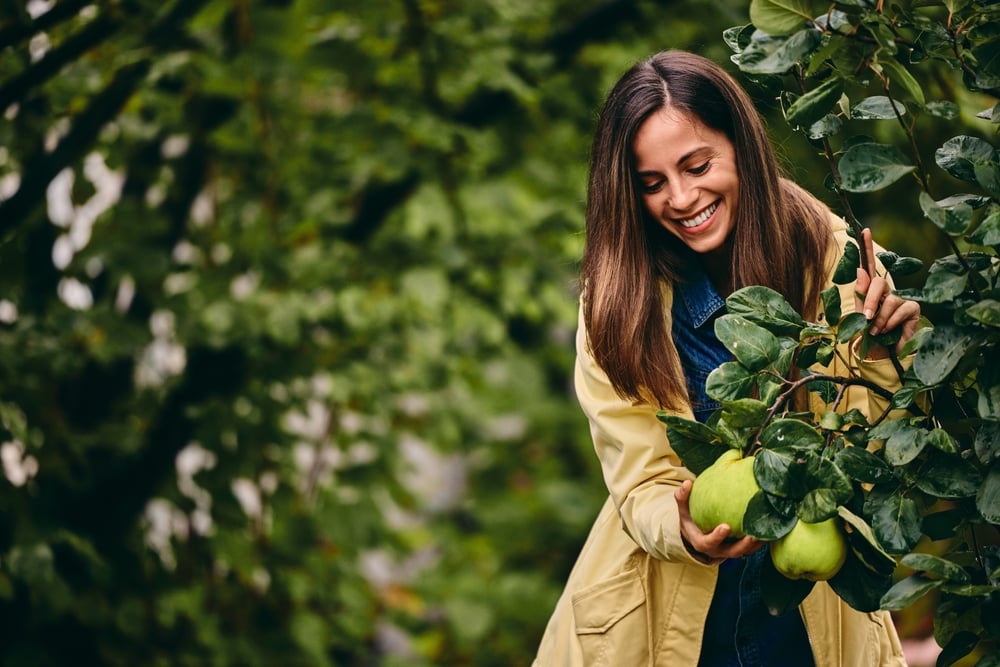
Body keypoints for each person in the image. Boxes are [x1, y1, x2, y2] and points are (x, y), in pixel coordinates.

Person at [532, 50, 920, 666]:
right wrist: (678, 525)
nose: (681, 198)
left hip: (810, 612)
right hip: (664, 614)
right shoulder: (616, 301)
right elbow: (638, 479)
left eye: (697, 165)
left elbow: (871, 452)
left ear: (740, 147)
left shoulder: (831, 259)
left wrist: (892, 353)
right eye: (652, 182)